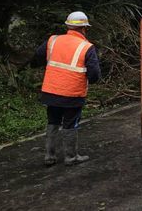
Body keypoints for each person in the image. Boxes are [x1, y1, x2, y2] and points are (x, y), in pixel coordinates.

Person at [34, 11, 101, 166]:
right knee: (70, 123)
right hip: (72, 93)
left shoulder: (53, 40)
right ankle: (71, 157)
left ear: (68, 26)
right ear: (84, 28)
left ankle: (49, 157)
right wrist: (91, 80)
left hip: (51, 91)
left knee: (53, 121)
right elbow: (94, 74)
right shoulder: (87, 47)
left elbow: (38, 55)